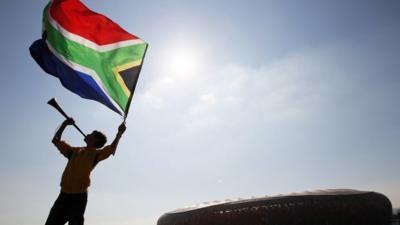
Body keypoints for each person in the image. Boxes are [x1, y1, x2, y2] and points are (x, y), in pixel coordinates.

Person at [45, 117, 126, 225]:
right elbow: (55, 140)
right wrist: (64, 124)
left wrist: (119, 133)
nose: (88, 134)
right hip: (63, 195)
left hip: (79, 197)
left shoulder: (96, 154)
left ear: (96, 140)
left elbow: (111, 148)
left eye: (92, 134)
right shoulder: (74, 151)